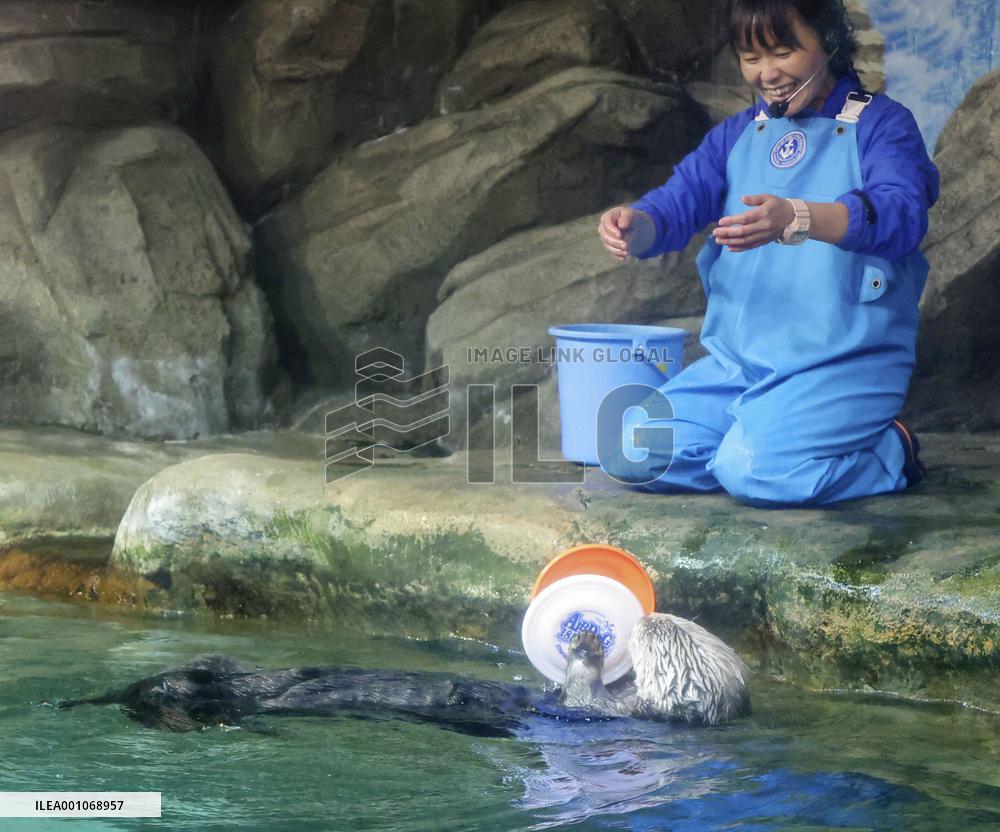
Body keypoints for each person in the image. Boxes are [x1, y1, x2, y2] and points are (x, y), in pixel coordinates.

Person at [596, 0, 939, 507]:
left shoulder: (881, 125)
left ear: (828, 42)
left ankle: (889, 452)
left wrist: (797, 217)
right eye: (750, 57)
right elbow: (676, 203)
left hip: (840, 365)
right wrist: (635, 224)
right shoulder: (737, 135)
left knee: (753, 471)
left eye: (782, 52)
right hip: (738, 365)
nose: (767, 74)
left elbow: (902, 213)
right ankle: (756, 442)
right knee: (634, 450)